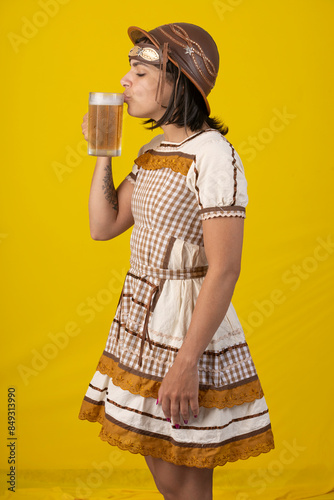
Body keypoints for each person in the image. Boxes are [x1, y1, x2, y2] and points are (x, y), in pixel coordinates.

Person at [78, 22, 275, 500]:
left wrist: (186, 362)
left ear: (178, 81)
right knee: (170, 482)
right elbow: (103, 227)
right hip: (140, 320)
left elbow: (226, 268)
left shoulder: (214, 154)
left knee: (188, 482)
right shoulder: (152, 151)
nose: (125, 80)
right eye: (129, 68)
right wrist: (103, 152)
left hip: (187, 327)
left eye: (141, 72)